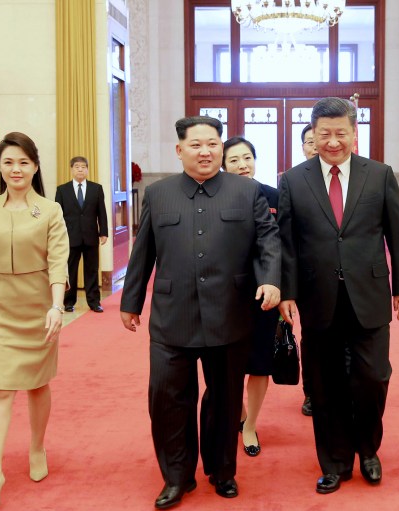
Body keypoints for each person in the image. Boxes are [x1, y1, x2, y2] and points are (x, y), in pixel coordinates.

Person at [119, 116, 281, 509]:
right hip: (172, 314)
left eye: (213, 143)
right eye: (196, 145)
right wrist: (130, 302)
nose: (206, 151)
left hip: (230, 312)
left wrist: (271, 278)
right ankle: (177, 477)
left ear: (221, 148)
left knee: (225, 399)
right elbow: (143, 253)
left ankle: (222, 470)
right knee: (167, 397)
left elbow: (268, 240)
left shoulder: (247, 192)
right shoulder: (159, 195)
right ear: (180, 150)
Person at [278, 97, 399, 494]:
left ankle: (368, 449)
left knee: (372, 378)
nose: (333, 141)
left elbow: (398, 235)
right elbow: (286, 242)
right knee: (324, 383)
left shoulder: (379, 174)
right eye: (325, 134)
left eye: (341, 133)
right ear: (313, 134)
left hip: (369, 294)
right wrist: (287, 290)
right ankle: (334, 461)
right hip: (317, 296)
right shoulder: (293, 179)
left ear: (354, 133)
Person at [0, 132, 69, 506]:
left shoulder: (50, 210)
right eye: (9, 162)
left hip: (39, 309)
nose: (16, 169)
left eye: (23, 162)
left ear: (35, 166)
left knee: (38, 385)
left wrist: (56, 307)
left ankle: (37, 447)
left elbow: (58, 262)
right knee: (0, 389)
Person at [221, 136, 279, 458]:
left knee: (259, 364)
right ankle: (239, 412)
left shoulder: (273, 196)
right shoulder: (214, 196)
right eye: (234, 160)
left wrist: (284, 290)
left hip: (264, 293)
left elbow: (283, 246)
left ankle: (250, 424)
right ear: (223, 164)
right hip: (225, 295)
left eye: (247, 158)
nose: (242, 165)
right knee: (226, 364)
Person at [54, 156, 108, 313]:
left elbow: (101, 212)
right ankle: (68, 301)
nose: (80, 169)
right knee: (70, 270)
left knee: (92, 269)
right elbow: (58, 215)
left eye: (83, 167)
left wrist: (103, 232)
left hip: (91, 235)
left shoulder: (96, 188)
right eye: (77, 166)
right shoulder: (62, 190)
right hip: (70, 237)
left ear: (87, 169)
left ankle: (94, 302)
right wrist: (58, 235)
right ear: (71, 169)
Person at [298, 123, 318, 417]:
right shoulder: (293, 182)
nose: (315, 145)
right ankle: (312, 392)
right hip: (308, 278)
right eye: (310, 141)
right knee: (312, 338)